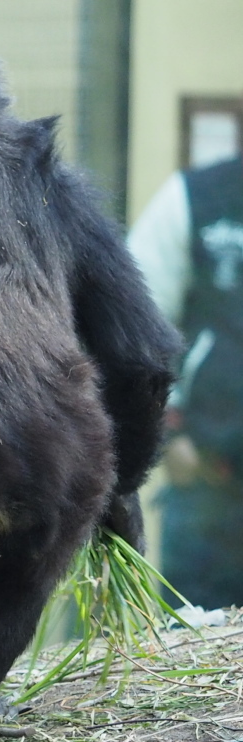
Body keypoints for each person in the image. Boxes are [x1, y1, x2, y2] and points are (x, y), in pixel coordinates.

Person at [128, 153, 243, 608]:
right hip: (209, 490)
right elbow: (132, 333)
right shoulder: (197, 198)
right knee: (199, 651)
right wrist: (166, 435)